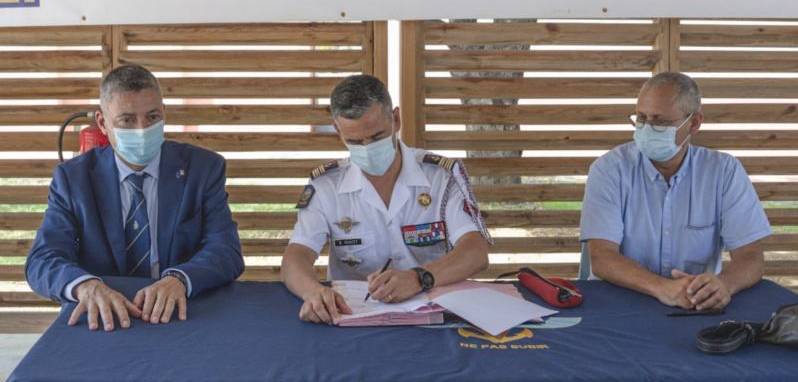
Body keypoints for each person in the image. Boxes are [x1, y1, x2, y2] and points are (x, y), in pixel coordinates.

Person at [25, 65, 244, 331]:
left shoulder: (203, 168)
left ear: (164, 113)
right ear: (103, 123)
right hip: (106, 317)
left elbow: (226, 250)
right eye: (127, 120)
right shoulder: (73, 178)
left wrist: (180, 279)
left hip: (182, 312)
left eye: (152, 117)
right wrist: (85, 286)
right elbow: (44, 258)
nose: (142, 130)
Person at [281, 75, 491, 324]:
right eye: (355, 142)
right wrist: (313, 292)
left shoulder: (442, 176)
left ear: (396, 119)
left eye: (377, 136)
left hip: (433, 315)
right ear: (338, 132)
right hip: (354, 318)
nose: (367, 147)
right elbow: (297, 255)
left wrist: (418, 278)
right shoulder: (326, 185)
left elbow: (475, 252)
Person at [580, 71, 772, 310]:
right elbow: (601, 258)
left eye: (660, 121)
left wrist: (725, 285)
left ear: (694, 123)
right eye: (641, 117)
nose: (646, 129)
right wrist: (661, 288)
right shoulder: (609, 169)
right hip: (618, 304)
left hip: (693, 305)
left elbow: (750, 256)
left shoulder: (724, 172)